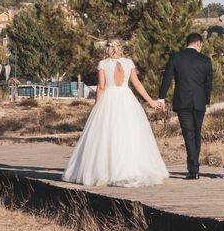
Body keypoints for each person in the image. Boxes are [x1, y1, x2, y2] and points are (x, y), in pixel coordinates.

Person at [62, 40, 169, 187]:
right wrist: (150, 101)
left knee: (108, 135)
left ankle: (108, 171)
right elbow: (137, 84)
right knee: (129, 134)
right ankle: (130, 169)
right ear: (120, 49)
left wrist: (96, 108)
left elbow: (101, 87)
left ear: (107, 50)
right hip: (127, 99)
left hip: (109, 99)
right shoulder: (128, 63)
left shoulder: (103, 64)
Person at [157, 33, 213, 180]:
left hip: (182, 101)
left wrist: (161, 98)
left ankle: (193, 169)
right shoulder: (206, 60)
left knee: (189, 134)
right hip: (199, 102)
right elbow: (208, 84)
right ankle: (194, 167)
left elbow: (167, 78)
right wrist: (206, 100)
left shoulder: (176, 57)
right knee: (196, 133)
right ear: (198, 44)